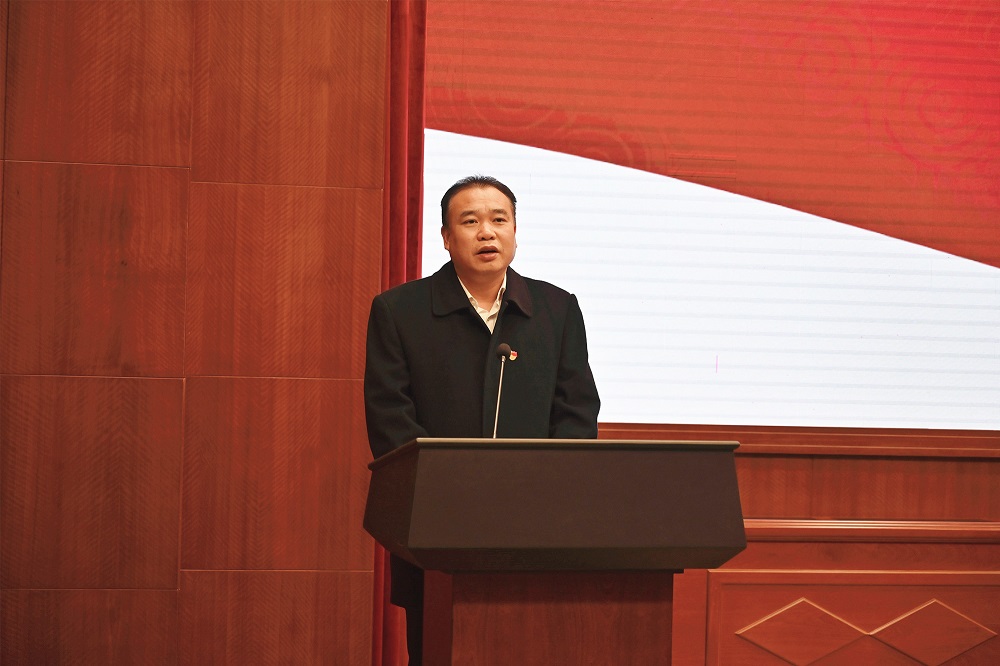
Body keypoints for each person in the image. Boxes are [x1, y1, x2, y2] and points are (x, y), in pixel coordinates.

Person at [364, 175, 601, 664]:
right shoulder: (399, 311)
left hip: (535, 527)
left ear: (515, 232)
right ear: (447, 238)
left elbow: (577, 412)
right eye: (470, 222)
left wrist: (549, 492)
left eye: (499, 220)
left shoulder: (557, 309)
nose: (487, 232)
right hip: (436, 530)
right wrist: (451, 491)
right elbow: (390, 419)